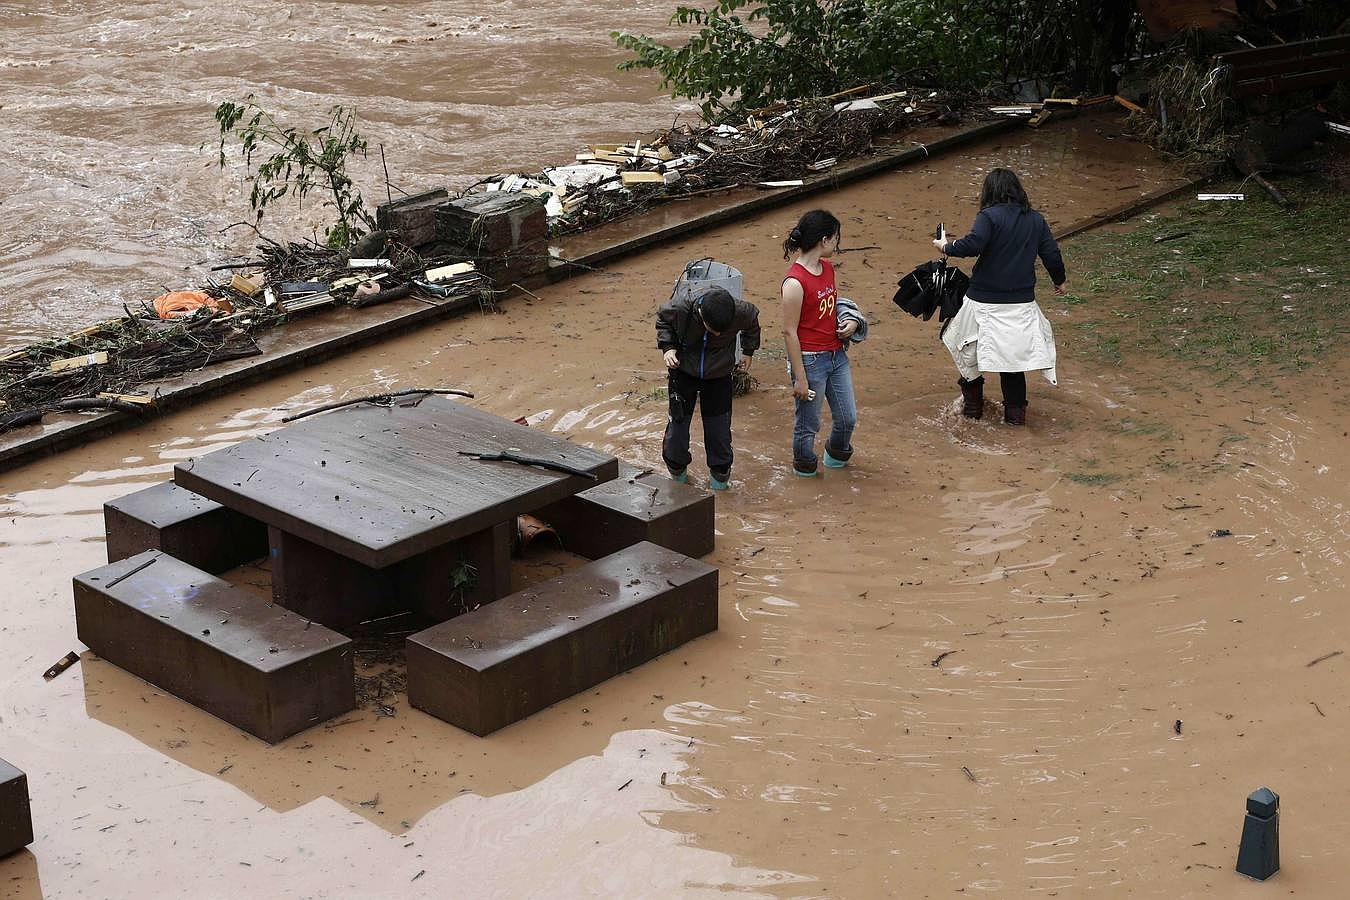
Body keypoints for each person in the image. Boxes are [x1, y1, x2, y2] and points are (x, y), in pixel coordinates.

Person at [934, 167, 1066, 426]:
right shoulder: (1036, 220)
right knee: (1013, 364)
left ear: (989, 191)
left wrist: (945, 246)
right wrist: (1059, 281)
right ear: (1017, 191)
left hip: (982, 300)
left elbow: (973, 245)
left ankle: (973, 412)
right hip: (1021, 303)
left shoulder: (988, 216)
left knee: (964, 349)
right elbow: (1051, 254)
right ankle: (1015, 421)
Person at [656, 285, 760, 490]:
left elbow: (753, 324)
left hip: (719, 375)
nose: (719, 333)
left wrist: (748, 351)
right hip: (683, 371)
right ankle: (678, 481)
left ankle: (720, 483)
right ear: (701, 315)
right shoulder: (681, 307)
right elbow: (662, 321)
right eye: (714, 330)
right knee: (677, 431)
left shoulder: (741, 311)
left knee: (719, 433)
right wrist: (668, 348)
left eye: (724, 330)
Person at [781, 209, 859, 476]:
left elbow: (831, 306)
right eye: (836, 237)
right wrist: (799, 378)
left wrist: (850, 323)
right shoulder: (794, 283)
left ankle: (835, 459)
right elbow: (789, 332)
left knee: (848, 419)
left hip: (836, 355)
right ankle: (805, 473)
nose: (838, 243)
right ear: (824, 240)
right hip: (810, 360)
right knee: (808, 425)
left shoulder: (827, 268)